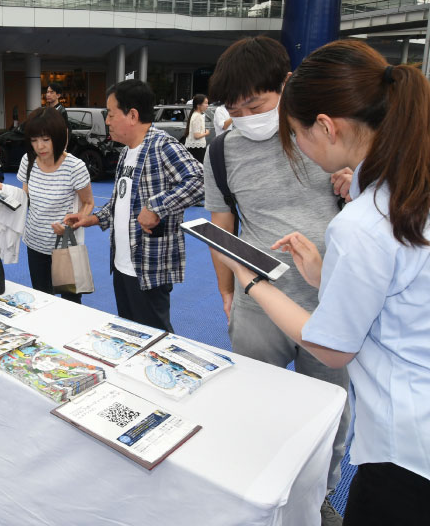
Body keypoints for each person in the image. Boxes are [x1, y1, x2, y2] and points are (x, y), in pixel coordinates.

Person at [215, 39, 430, 526]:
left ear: (327, 127)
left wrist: (252, 283)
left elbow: (332, 348)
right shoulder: (407, 190)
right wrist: (323, 272)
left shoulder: (363, 222)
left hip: (407, 447)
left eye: (296, 133)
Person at [204, 35, 350, 525]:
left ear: (286, 86)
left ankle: (319, 496)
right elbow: (221, 223)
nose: (246, 115)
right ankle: (253, 490)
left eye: (256, 103)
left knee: (331, 411)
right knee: (253, 404)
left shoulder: (326, 135)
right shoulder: (223, 149)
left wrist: (357, 180)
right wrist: (226, 289)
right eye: (235, 107)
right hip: (258, 300)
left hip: (329, 299)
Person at [65, 79, 204, 332]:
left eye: (111, 114)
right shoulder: (127, 151)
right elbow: (122, 200)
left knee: (155, 338)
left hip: (148, 266)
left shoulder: (162, 146)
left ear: (132, 115)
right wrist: (93, 218)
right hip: (121, 265)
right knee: (131, 334)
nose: (107, 121)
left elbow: (198, 179)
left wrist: (157, 207)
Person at [0, 107, 93, 303]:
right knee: (41, 300)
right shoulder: (28, 161)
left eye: (45, 139)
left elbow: (88, 202)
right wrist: (2, 190)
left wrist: (72, 225)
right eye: (34, 140)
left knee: (69, 305)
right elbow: (24, 197)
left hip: (65, 244)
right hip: (35, 243)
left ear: (57, 137)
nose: (39, 146)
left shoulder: (75, 167)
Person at [183, 94, 210, 163]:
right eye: (205, 103)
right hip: (197, 148)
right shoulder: (197, 116)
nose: (207, 105)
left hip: (196, 147)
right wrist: (206, 133)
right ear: (198, 105)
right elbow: (197, 136)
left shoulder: (196, 115)